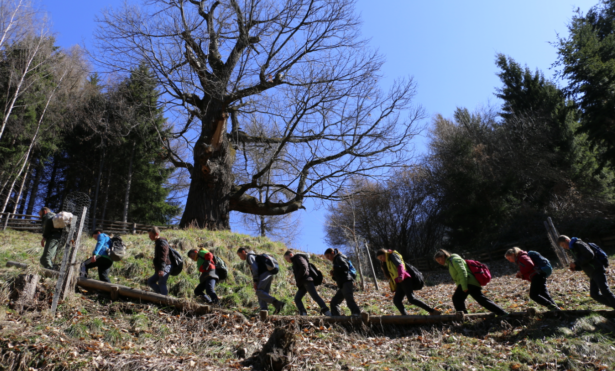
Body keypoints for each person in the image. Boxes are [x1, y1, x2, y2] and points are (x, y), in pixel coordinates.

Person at [434, 249, 508, 316]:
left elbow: (462, 272)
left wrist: (464, 286)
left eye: (439, 260)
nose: (439, 262)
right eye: (437, 261)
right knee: (481, 300)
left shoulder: (454, 260)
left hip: (468, 282)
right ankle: (502, 313)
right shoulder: (450, 262)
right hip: (470, 282)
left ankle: (463, 317)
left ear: (443, 256)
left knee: (457, 298)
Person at [376, 249, 440, 316]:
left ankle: (432, 311)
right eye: (379, 259)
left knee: (411, 299)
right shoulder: (388, 262)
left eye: (381, 257)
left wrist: (401, 276)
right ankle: (405, 316)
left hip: (405, 279)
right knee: (396, 300)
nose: (381, 259)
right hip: (400, 282)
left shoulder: (392, 255)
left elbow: (400, 265)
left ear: (385, 253)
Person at [558, 235, 615, 309]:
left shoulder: (578, 243)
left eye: (563, 245)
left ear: (566, 240)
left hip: (596, 269)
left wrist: (576, 263)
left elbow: (589, 254)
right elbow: (584, 262)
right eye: (562, 247)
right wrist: (575, 267)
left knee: (605, 292)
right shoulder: (574, 248)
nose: (564, 247)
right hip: (592, 272)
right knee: (594, 294)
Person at [236, 247, 285, 314]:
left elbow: (255, 268)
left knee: (258, 291)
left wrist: (255, 280)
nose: (240, 257)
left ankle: (276, 302)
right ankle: (264, 310)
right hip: (268, 274)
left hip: (263, 274)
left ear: (243, 252)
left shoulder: (250, 256)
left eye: (239, 255)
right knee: (262, 293)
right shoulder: (255, 256)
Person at [283, 250, 331, 316]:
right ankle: (303, 313)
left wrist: (298, 277)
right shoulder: (295, 261)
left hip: (306, 280)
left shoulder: (298, 257)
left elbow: (304, 266)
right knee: (297, 298)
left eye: (286, 258)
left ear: (291, 255)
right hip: (303, 283)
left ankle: (327, 312)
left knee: (315, 296)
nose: (287, 261)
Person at [323, 248, 361, 317]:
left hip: (347, 281)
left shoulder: (339, 257)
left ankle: (356, 313)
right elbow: (340, 274)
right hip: (342, 283)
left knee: (349, 299)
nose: (328, 259)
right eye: (326, 258)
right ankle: (336, 317)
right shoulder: (336, 261)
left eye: (328, 256)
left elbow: (345, 267)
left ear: (332, 253)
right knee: (334, 301)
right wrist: (333, 275)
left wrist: (335, 267)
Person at [147, 227, 172, 296]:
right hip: (161, 266)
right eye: (149, 235)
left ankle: (164, 299)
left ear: (156, 234)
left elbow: (163, 257)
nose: (149, 237)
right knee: (150, 281)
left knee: (161, 282)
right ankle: (161, 295)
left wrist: (161, 269)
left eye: (151, 235)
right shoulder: (158, 242)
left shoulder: (162, 243)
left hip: (165, 266)